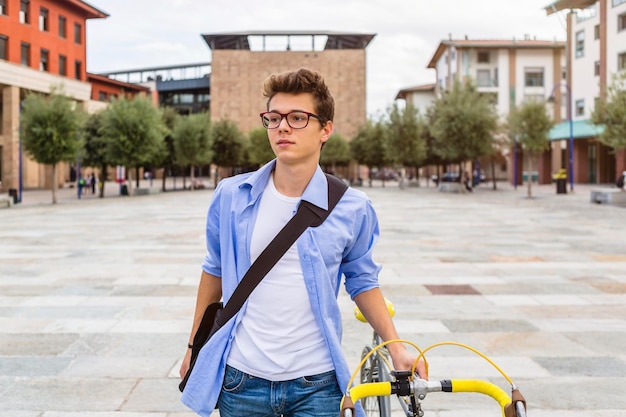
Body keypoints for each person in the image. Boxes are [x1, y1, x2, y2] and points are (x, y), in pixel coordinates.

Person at [179, 68, 426, 417]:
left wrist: (396, 346)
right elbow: (214, 271)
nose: (282, 127)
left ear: (325, 129)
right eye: (274, 118)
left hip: (318, 383)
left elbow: (363, 281)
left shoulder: (352, 207)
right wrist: (194, 346)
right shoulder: (232, 196)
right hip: (241, 379)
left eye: (297, 118)